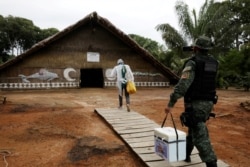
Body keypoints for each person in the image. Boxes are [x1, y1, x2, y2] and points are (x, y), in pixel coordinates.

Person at [164, 36, 218, 167]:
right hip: (209, 103)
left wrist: (171, 103)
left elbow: (182, 86)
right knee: (193, 128)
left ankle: (212, 163)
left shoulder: (192, 63)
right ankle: (186, 154)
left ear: (196, 48)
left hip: (195, 104)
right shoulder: (214, 62)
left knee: (200, 135)